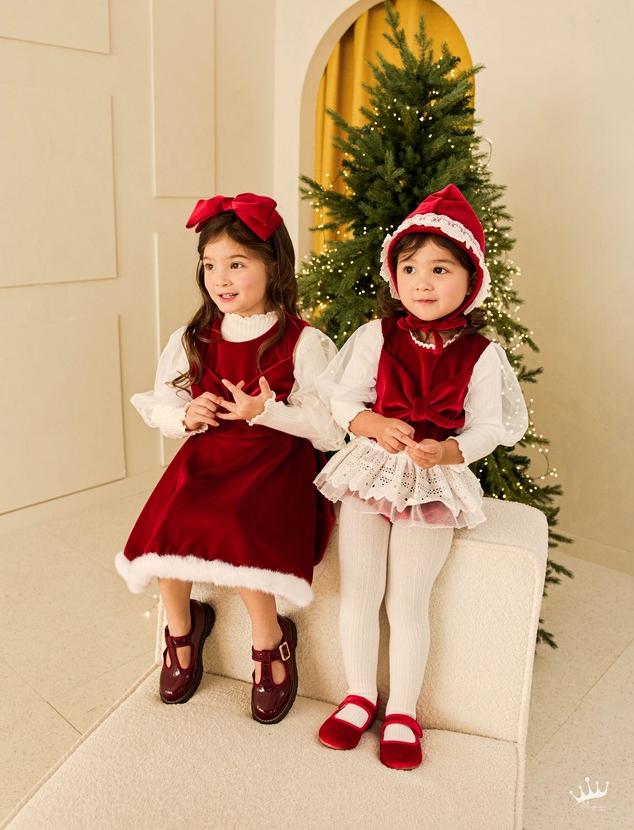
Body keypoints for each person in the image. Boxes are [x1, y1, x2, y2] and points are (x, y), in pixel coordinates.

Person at [314, 185, 529, 769]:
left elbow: (491, 426)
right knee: (360, 590)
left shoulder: (482, 354)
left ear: (471, 279)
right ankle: (359, 695)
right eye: (409, 268)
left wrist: (452, 451)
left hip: (430, 482)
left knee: (408, 601)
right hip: (371, 472)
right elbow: (342, 399)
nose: (422, 282)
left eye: (440, 269)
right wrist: (371, 423)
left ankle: (403, 710)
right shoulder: (375, 336)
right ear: (394, 275)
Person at [116, 192, 344, 725]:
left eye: (237, 264)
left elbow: (330, 428)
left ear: (273, 266)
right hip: (211, 452)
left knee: (238, 521)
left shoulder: (304, 342)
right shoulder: (192, 337)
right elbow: (163, 402)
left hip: (275, 459)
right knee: (169, 521)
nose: (221, 278)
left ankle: (270, 639)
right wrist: (187, 413)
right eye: (210, 265)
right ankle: (181, 629)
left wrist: (268, 411)